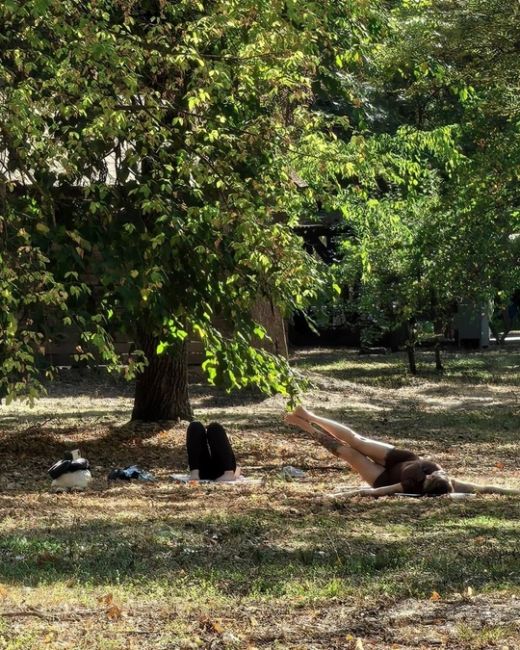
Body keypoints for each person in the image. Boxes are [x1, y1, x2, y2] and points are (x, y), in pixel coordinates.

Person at [285, 406, 520, 497]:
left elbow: (371, 493)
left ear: (426, 484)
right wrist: (514, 492)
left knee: (347, 452)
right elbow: (486, 488)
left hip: (381, 477)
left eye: (430, 478)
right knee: (358, 440)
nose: (433, 474)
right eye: (437, 475)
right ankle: (310, 415)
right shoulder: (451, 483)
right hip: (404, 458)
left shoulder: (410, 486)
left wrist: (338, 496)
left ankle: (304, 426)